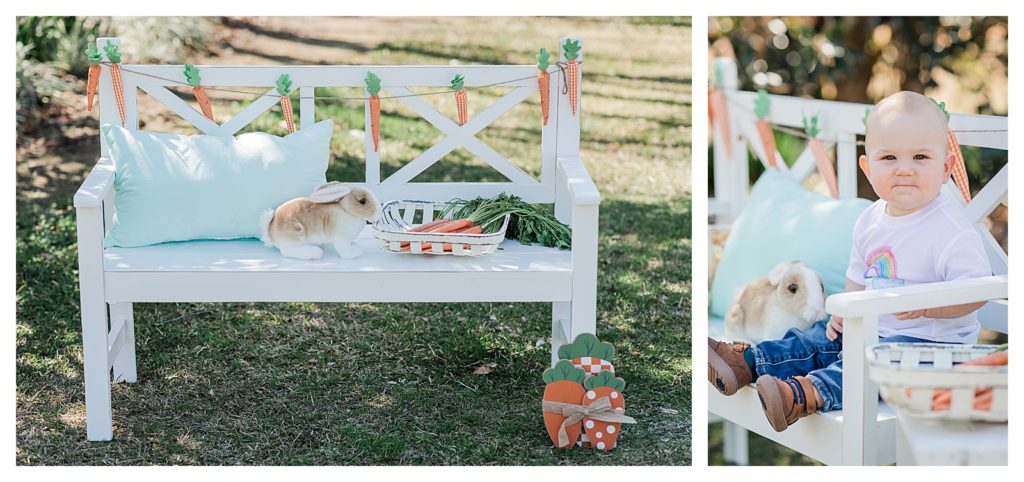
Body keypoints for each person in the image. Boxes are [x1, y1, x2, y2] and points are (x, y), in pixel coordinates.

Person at [708, 91, 992, 432]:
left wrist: (925, 307)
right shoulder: (870, 221)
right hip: (871, 333)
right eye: (889, 158)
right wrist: (843, 315)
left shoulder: (950, 229)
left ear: (945, 167)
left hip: (932, 353)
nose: (904, 169)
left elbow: (976, 291)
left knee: (869, 360)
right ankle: (747, 362)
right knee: (814, 338)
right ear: (868, 168)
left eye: (920, 156)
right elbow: (858, 275)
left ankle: (803, 395)